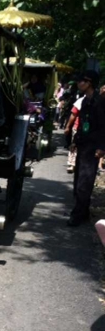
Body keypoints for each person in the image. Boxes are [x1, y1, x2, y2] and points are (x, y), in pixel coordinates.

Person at [67, 70, 105, 227]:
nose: (78, 83)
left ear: (89, 83)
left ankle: (77, 215)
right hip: (83, 144)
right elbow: (82, 124)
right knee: (79, 181)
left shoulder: (100, 102)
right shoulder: (84, 101)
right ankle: (84, 211)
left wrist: (102, 148)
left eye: (81, 81)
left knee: (85, 182)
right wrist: (75, 140)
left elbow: (104, 127)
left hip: (93, 147)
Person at [64, 95, 85, 174]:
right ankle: (71, 164)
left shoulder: (97, 101)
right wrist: (68, 126)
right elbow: (73, 114)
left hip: (90, 130)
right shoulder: (81, 100)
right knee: (74, 145)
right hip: (77, 127)